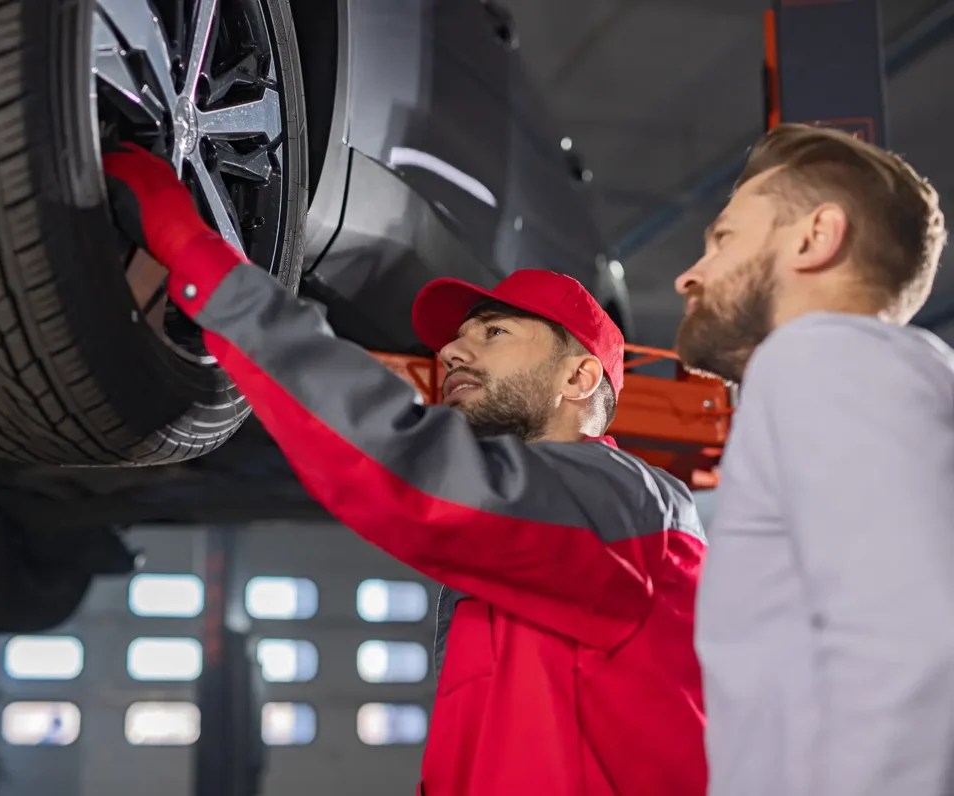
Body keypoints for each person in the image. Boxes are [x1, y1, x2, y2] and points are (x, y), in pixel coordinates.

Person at [103, 143, 709, 796]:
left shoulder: (628, 509)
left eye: (494, 333)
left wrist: (198, 257)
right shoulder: (518, 557)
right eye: (457, 339)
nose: (449, 350)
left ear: (580, 374)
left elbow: (404, 466)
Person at [673, 122, 954, 796]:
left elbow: (916, 645)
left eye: (724, 238)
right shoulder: (898, 375)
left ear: (814, 237)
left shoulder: (820, 358)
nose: (690, 275)